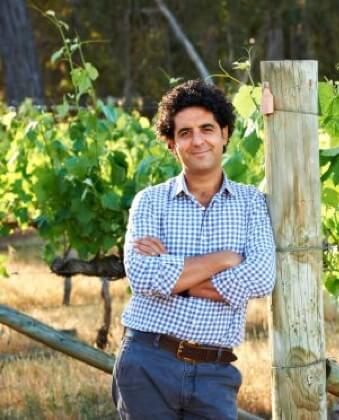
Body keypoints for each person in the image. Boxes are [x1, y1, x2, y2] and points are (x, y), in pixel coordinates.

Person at [112, 79, 276, 419]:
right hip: (147, 363)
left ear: (224, 134)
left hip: (215, 373)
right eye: (185, 133)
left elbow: (261, 277)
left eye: (207, 129)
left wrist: (174, 276)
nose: (198, 140)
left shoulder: (252, 203)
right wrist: (227, 259)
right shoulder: (149, 202)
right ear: (172, 144)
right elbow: (142, 276)